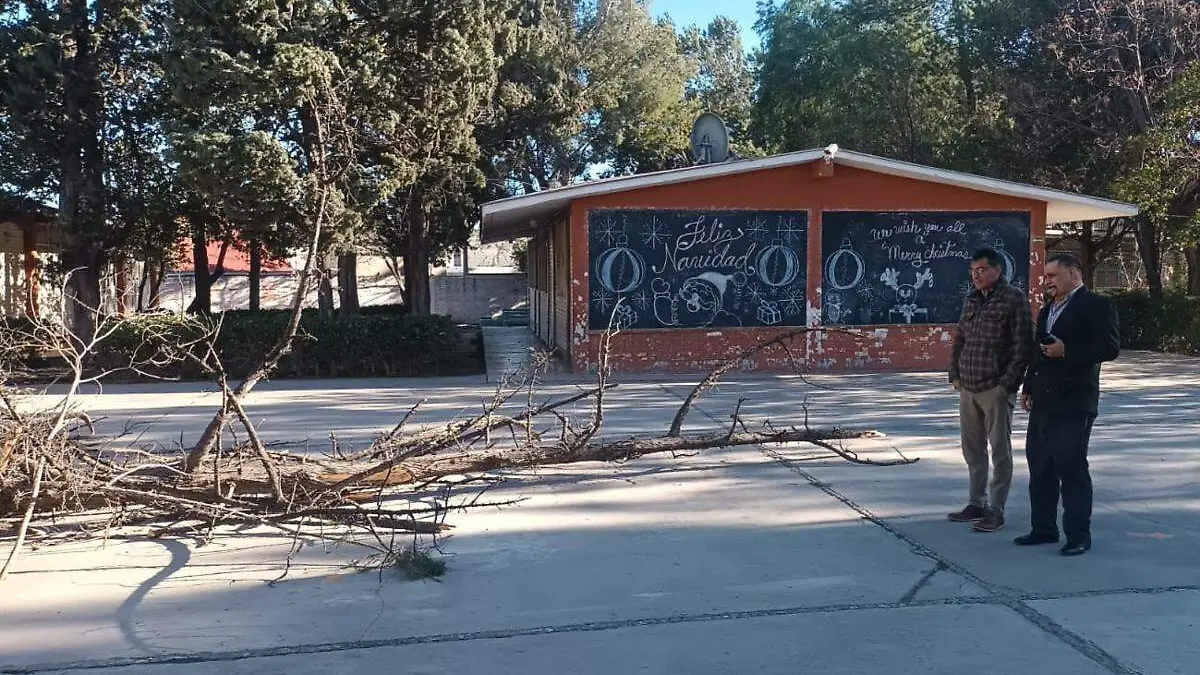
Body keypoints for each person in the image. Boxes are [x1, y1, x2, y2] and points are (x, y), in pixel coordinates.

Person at [1016, 252, 1119, 556]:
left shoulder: (1096, 305)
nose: (1047, 281)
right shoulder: (1047, 310)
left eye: (1052, 276)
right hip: (1043, 402)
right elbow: (1037, 352)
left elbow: (1109, 348)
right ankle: (1043, 529)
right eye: (1045, 276)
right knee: (1041, 466)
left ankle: (1078, 535)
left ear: (1074, 274)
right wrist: (1028, 386)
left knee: (1071, 467)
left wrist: (1067, 351)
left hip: (1075, 400)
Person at [947, 248, 1035, 533]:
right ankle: (976, 502)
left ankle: (996, 510)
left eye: (982, 270)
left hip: (994, 388)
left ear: (998, 270)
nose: (977, 275)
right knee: (972, 449)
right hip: (968, 386)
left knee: (999, 450)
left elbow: (1024, 346)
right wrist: (954, 374)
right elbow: (960, 338)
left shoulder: (1013, 299)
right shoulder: (972, 300)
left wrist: (1007, 385)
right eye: (973, 271)